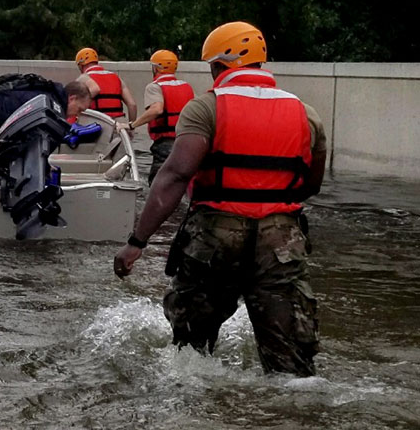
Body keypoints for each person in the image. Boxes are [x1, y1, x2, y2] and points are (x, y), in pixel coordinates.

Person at [113, 21, 327, 377]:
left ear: (217, 66)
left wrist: (137, 242)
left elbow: (175, 176)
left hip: (215, 237)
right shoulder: (306, 113)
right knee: (290, 365)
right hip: (281, 241)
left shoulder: (205, 108)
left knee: (191, 354)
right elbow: (310, 185)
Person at [0, 77, 92, 174]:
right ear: (72, 98)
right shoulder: (52, 109)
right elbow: (34, 142)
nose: (78, 114)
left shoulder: (51, 99)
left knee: (8, 174)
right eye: (80, 109)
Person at [125, 50, 195, 184]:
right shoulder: (186, 86)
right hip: (185, 140)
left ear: (156, 68)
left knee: (159, 183)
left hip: (166, 142)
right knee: (182, 180)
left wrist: (131, 125)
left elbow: (156, 109)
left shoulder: (154, 87)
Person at [75, 47, 137, 122]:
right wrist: (131, 126)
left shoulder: (83, 78)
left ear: (81, 65)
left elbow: (76, 104)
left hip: (97, 122)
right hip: (118, 123)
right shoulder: (116, 77)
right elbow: (132, 105)